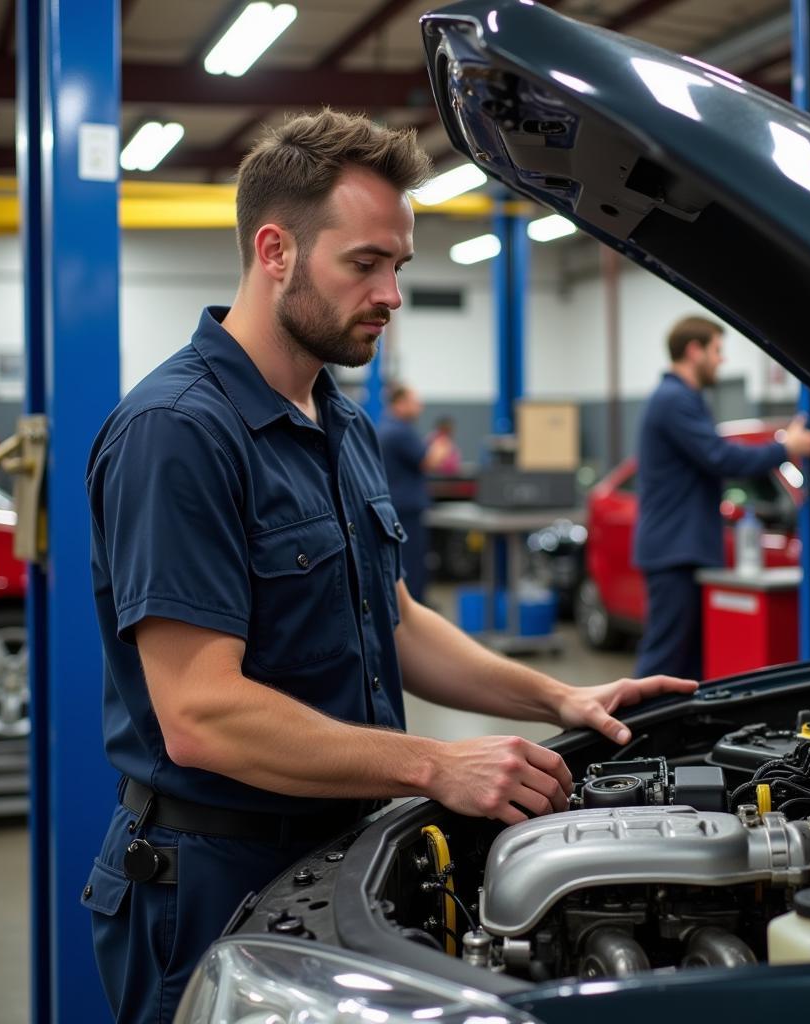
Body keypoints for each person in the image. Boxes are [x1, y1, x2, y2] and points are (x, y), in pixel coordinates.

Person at [83, 109, 698, 1024]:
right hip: (208, 884)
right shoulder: (179, 433)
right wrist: (434, 765)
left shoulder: (342, 423)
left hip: (338, 852)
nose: (391, 294)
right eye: (364, 264)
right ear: (275, 250)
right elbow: (200, 716)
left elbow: (395, 619)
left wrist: (558, 699)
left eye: (398, 266)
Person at [633, 315, 810, 680]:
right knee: (664, 662)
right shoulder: (673, 400)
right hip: (675, 552)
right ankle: (628, 733)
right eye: (717, 350)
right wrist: (785, 446)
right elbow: (720, 457)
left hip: (682, 550)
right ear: (694, 351)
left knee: (686, 667)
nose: (722, 360)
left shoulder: (682, 399)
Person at [377, 385, 452, 601]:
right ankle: (415, 608)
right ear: (400, 403)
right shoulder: (401, 431)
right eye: (414, 402)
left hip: (396, 505)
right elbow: (428, 462)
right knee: (413, 563)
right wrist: (441, 444)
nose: (420, 407)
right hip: (407, 509)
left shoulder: (386, 427)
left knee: (404, 561)